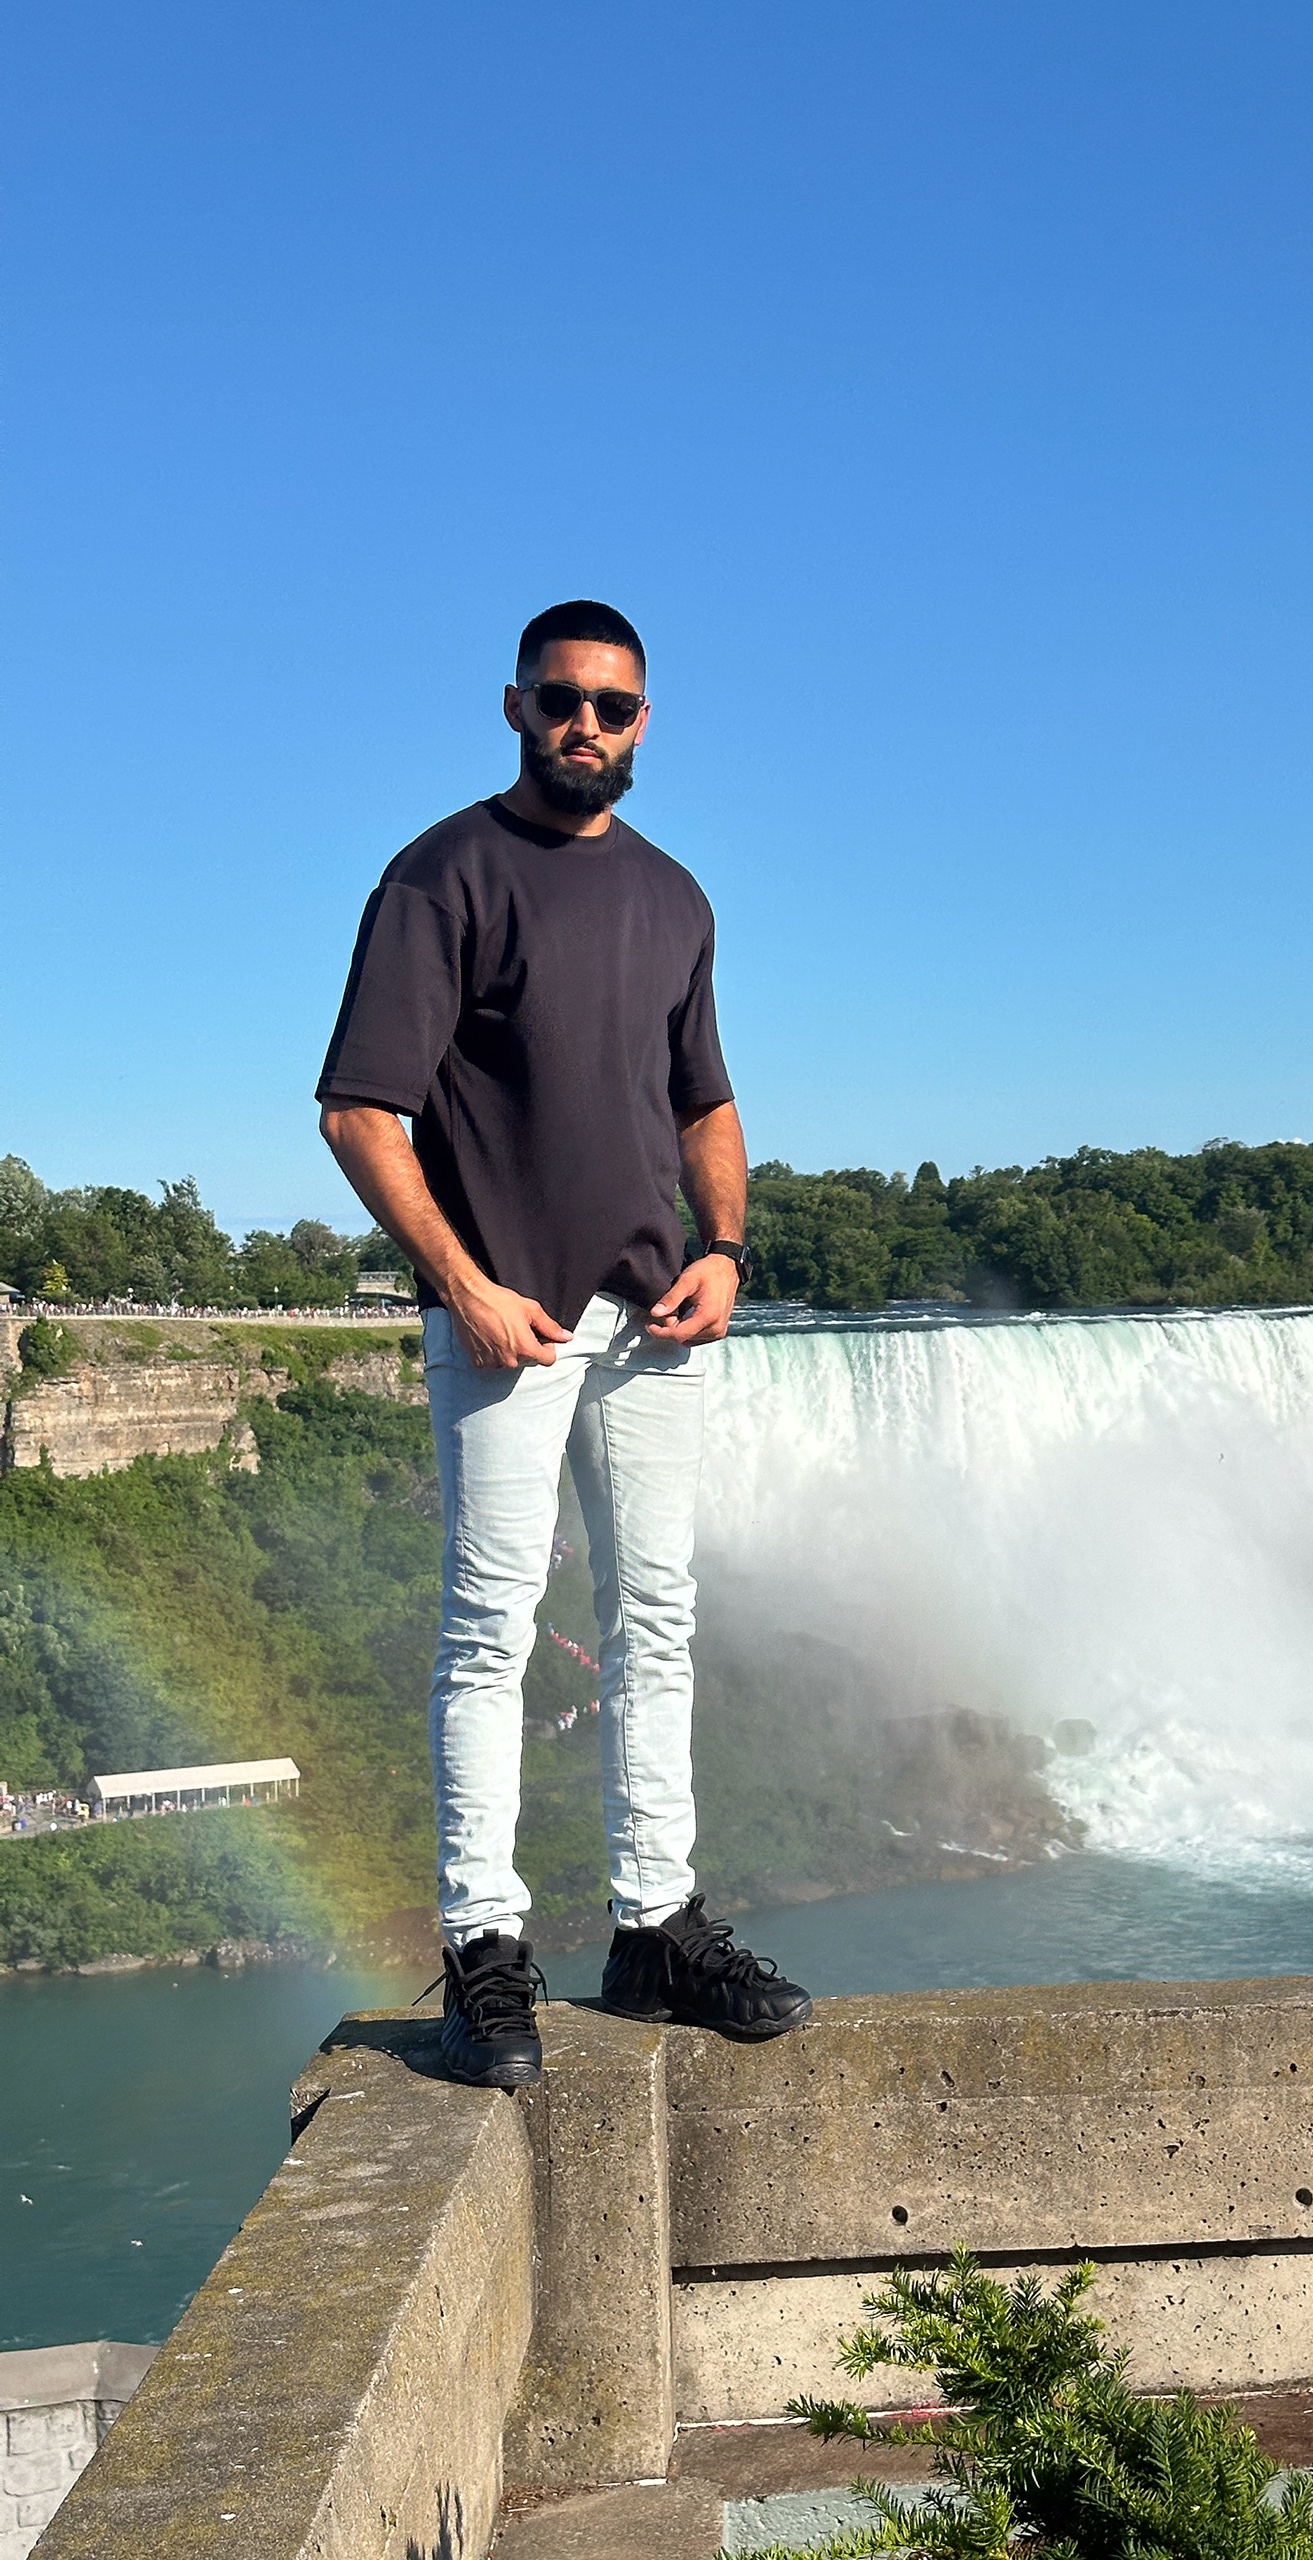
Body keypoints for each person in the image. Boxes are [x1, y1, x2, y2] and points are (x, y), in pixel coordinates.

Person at [317, 598, 811, 2087]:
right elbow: (359, 1110)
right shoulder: (442, 875)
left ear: (644, 720)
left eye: (612, 704)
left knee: (658, 1618)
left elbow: (703, 1103)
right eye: (559, 700)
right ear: (516, 707)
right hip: (510, 1321)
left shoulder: (675, 898)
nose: (584, 724)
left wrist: (725, 1248)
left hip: (654, 1315)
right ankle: (484, 1956)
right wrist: (460, 1283)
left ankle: (656, 1931)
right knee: (493, 1631)